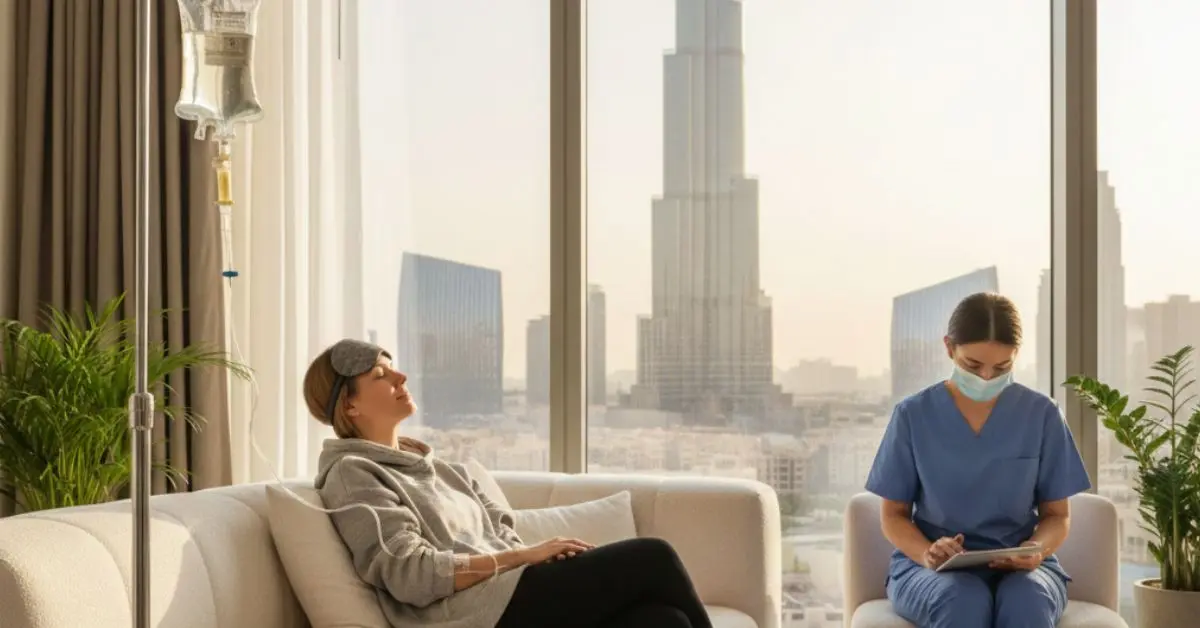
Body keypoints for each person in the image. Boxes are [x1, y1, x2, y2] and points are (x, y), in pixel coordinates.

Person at [302, 338, 713, 628]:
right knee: (654, 557)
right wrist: (524, 558)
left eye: (393, 367)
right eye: (380, 374)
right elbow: (411, 574)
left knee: (664, 621)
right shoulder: (353, 474)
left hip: (511, 597)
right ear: (349, 404)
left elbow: (500, 532)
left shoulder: (445, 470)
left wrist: (530, 558)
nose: (401, 377)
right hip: (475, 617)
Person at [864, 292, 1091, 628]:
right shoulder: (913, 415)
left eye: (1002, 367)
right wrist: (928, 553)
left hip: (1024, 570)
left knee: (1028, 602)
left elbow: (1057, 516)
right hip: (930, 568)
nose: (986, 377)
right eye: (973, 365)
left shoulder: (1041, 415)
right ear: (949, 348)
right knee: (962, 601)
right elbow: (893, 516)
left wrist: (1036, 550)